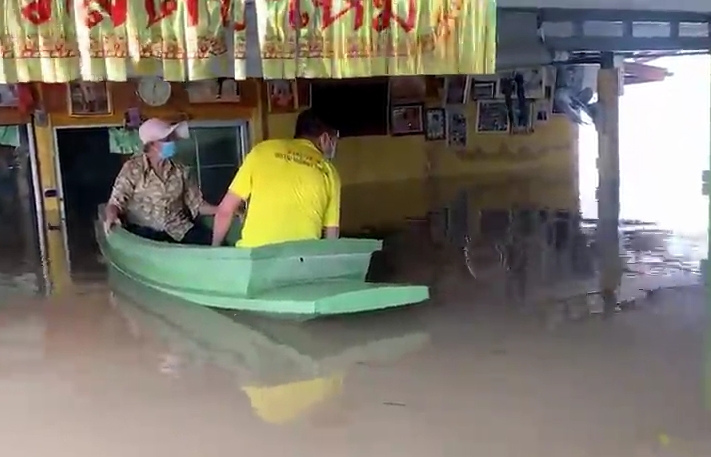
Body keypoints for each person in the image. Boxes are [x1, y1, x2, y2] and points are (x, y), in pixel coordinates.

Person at [211, 109, 341, 247]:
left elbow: (225, 210)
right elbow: (331, 235)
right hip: (300, 256)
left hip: (254, 254)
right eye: (335, 139)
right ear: (324, 138)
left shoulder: (262, 151)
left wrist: (214, 250)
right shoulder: (329, 172)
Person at [104, 118, 216, 245]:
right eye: (166, 139)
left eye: (171, 138)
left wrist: (221, 210)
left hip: (179, 228)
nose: (172, 142)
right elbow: (116, 202)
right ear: (151, 144)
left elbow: (196, 204)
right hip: (143, 231)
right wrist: (111, 215)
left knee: (211, 243)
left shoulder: (180, 170)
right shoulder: (133, 168)